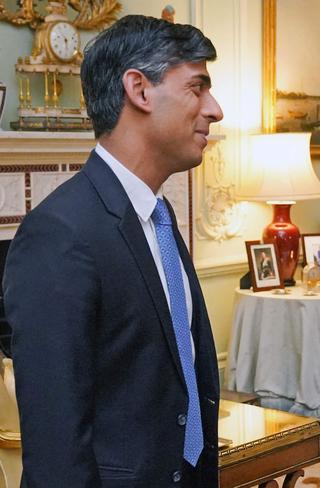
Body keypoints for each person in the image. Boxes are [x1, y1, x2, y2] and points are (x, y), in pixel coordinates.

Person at [3, 15, 223, 488]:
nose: (216, 109)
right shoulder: (59, 235)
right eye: (197, 88)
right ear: (139, 91)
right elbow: (56, 447)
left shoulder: (159, 219)